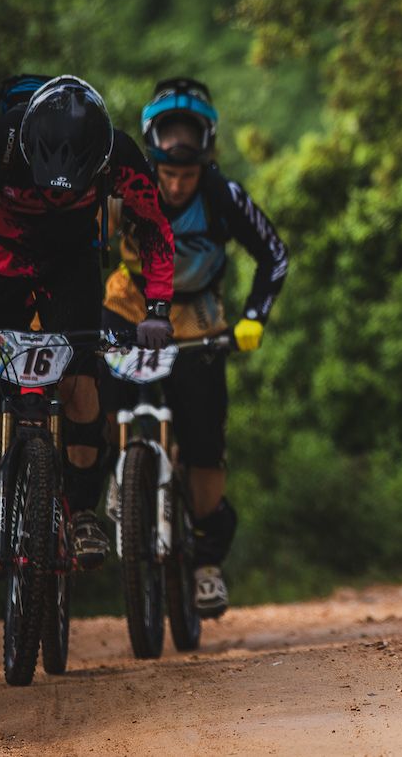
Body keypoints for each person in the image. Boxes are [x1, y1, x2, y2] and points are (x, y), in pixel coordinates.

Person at [0, 75, 176, 572]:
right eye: (46, 190)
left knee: (81, 383)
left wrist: (157, 309)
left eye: (73, 190)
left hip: (72, 266)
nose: (58, 199)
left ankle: (84, 513)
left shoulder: (118, 154)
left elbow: (152, 226)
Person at [100, 78, 289, 618]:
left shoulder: (223, 196)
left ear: (203, 162)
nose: (177, 186)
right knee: (96, 401)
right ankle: (119, 473)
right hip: (131, 311)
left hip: (201, 326)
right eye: (167, 174)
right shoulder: (122, 190)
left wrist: (254, 317)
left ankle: (206, 562)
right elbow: (82, 239)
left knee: (205, 446)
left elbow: (274, 256)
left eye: (186, 175)